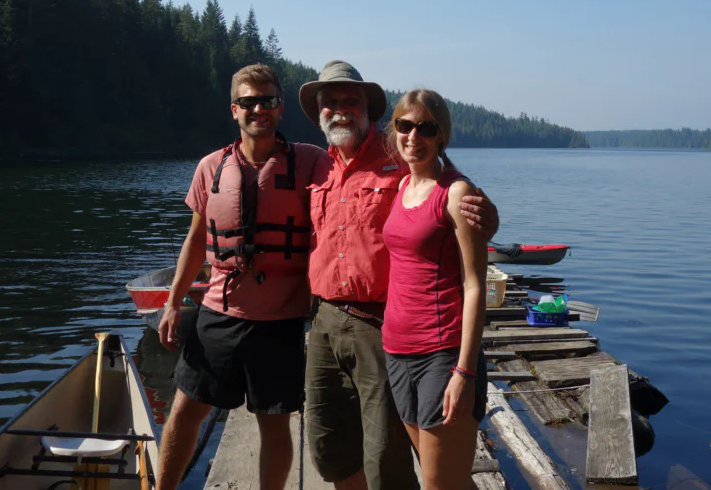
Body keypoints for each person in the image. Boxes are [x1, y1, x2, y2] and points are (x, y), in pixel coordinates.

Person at [299, 62, 498, 490]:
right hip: (348, 329)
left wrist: (490, 217)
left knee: (391, 460)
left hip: (393, 330)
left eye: (350, 101)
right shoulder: (315, 166)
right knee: (331, 448)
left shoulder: (397, 162)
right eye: (330, 102)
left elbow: (458, 211)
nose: (339, 110)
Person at [155, 64, 326, 490]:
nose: (258, 109)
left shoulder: (310, 162)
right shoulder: (211, 167)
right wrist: (174, 301)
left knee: (274, 424)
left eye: (267, 100)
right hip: (218, 314)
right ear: (234, 110)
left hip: (281, 321)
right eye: (248, 102)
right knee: (184, 411)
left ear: (280, 107)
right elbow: (196, 241)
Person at [381, 90, 488, 490]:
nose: (413, 136)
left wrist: (464, 371)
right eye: (404, 126)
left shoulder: (456, 192)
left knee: (440, 485)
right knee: (440, 478)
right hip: (396, 351)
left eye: (425, 127)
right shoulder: (401, 188)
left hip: (442, 354)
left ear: (441, 134)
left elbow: (475, 284)